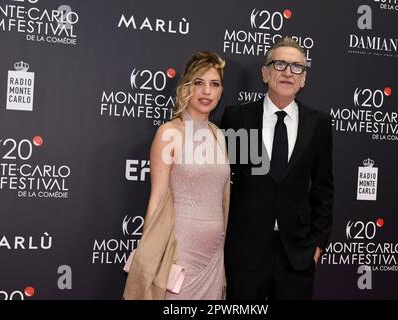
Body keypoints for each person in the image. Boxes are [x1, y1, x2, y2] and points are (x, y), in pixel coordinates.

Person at [220, 36, 334, 299]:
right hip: (245, 252)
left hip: (297, 254)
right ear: (265, 72)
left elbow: (323, 188)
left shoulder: (318, 123)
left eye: (296, 67)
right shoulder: (237, 118)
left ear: (303, 78)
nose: (287, 72)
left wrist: (316, 246)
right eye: (280, 64)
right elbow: (221, 179)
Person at [123, 51, 230, 300]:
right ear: (186, 87)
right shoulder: (169, 133)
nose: (206, 92)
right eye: (199, 83)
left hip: (214, 256)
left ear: (221, 91)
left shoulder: (218, 135)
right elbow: (157, 198)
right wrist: (151, 253)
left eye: (214, 84)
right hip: (178, 251)